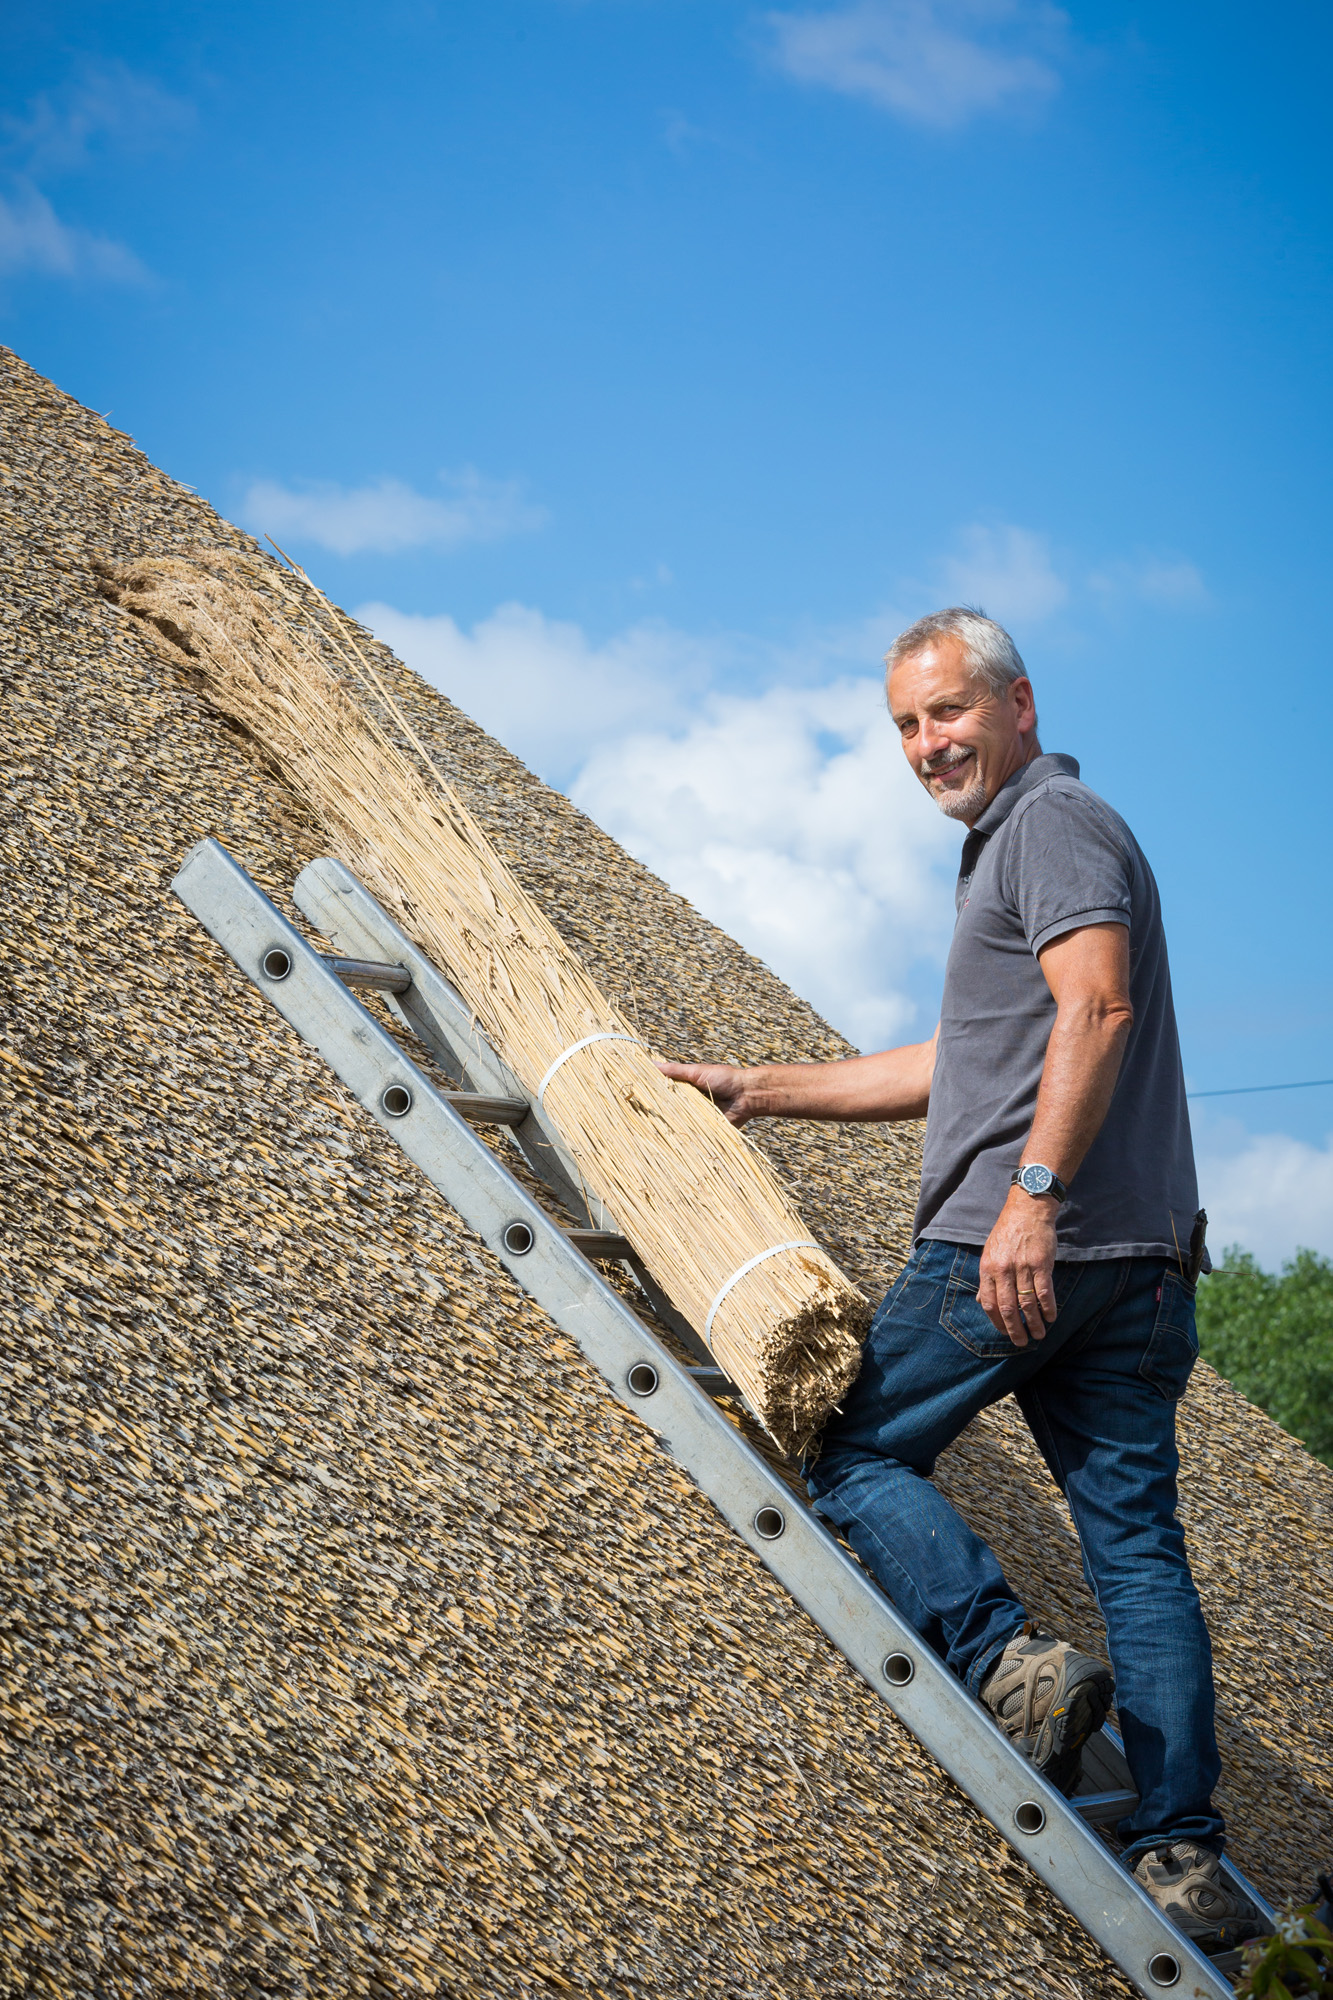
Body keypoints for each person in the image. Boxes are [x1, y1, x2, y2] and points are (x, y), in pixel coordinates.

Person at [661, 608, 1257, 1954]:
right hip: (1145, 1263)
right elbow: (961, 1057)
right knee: (1137, 1550)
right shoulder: (1027, 847)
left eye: (947, 714)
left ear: (1018, 703)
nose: (928, 746)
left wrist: (1027, 1202)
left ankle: (1000, 1657)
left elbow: (1094, 1008)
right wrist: (766, 1090)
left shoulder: (1048, 827)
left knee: (846, 1438)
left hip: (1030, 1243)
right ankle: (1182, 1852)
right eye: (906, 727)